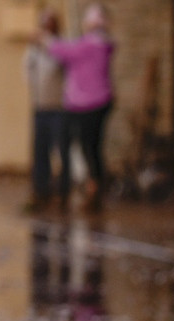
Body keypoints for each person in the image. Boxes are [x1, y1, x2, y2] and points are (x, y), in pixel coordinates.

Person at [44, 3, 114, 213]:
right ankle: (93, 185)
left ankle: (93, 187)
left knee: (87, 147)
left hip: (87, 104)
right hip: (93, 102)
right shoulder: (100, 44)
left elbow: (62, 50)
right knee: (92, 147)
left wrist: (46, 39)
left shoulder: (91, 45)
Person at [25, 9, 68, 212]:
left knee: (60, 152)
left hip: (58, 108)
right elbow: (27, 74)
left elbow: (61, 65)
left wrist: (48, 42)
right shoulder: (34, 52)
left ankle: (61, 191)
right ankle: (41, 190)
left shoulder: (61, 48)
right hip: (40, 108)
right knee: (40, 151)